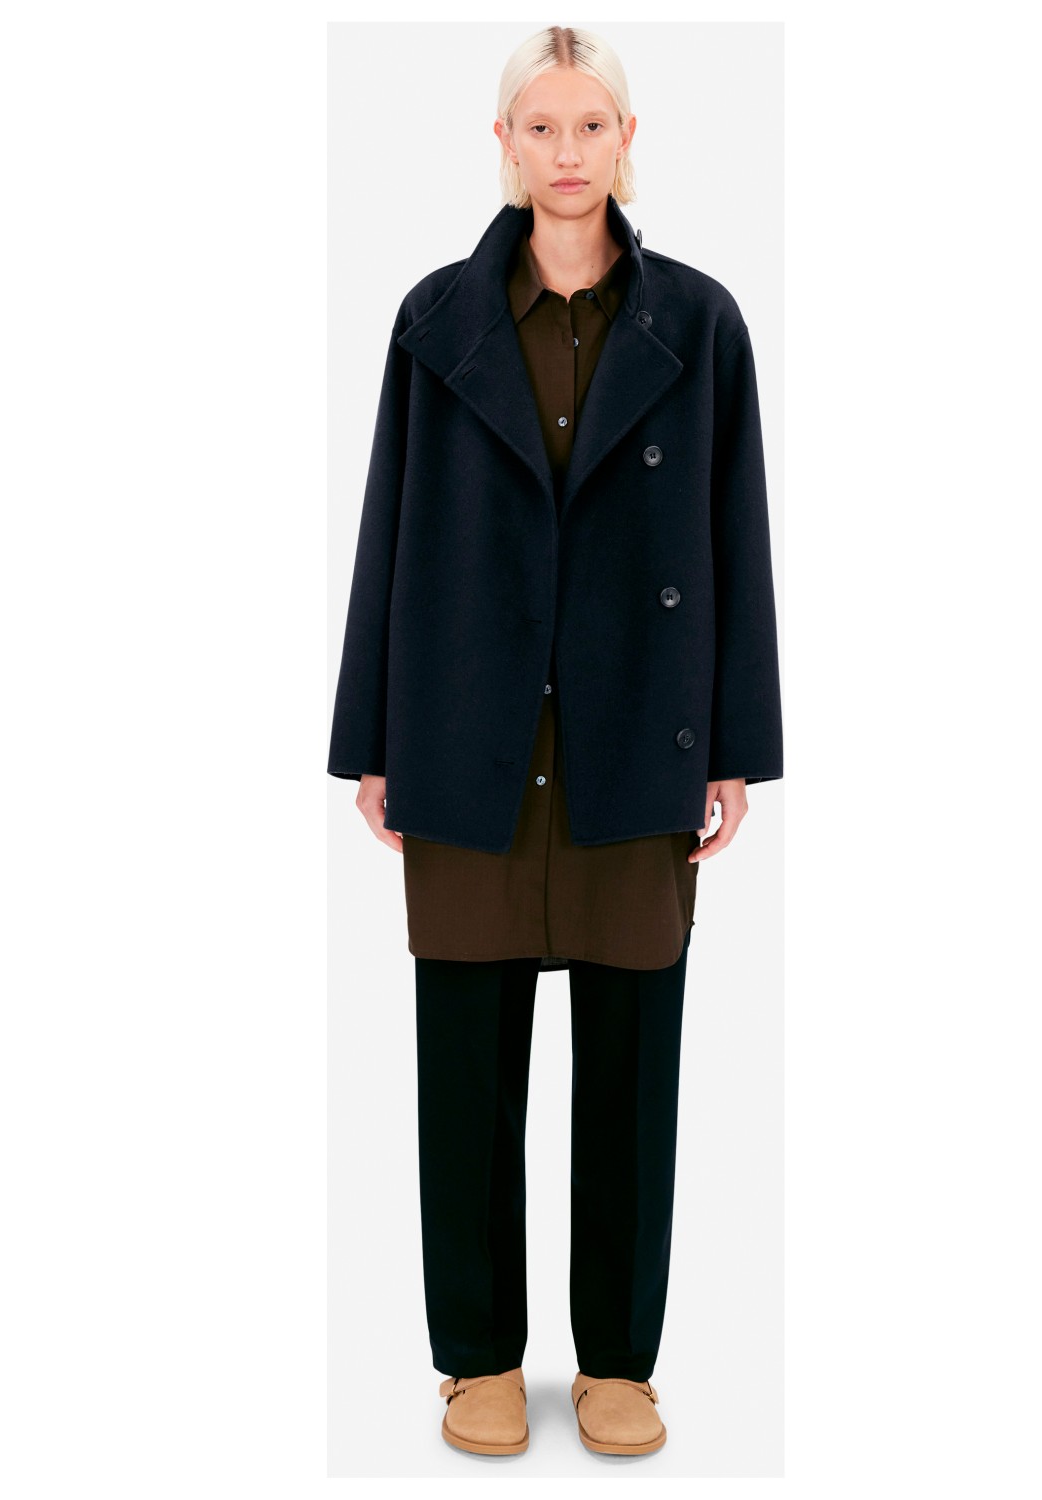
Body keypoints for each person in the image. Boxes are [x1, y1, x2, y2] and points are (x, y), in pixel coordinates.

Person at [327, 24, 783, 1459]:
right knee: (465, 1062)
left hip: (639, 727)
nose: (568, 151)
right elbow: (388, 527)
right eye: (542, 126)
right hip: (466, 726)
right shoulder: (436, 320)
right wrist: (370, 736)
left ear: (628, 140)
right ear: (505, 145)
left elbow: (738, 536)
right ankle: (475, 1357)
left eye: (593, 126)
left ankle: (618, 1364)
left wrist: (737, 745)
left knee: (634, 1064)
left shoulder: (699, 323)